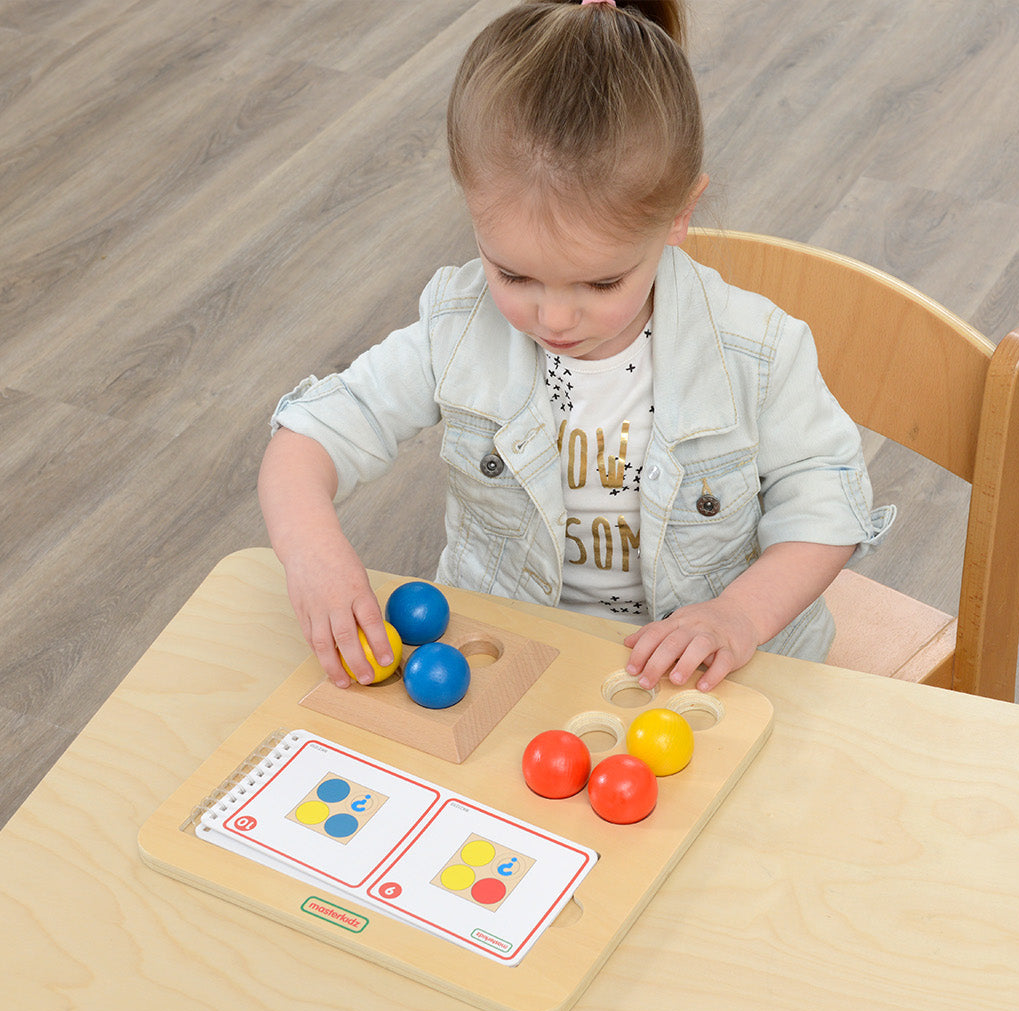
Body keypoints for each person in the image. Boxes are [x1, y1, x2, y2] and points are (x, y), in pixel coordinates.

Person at [258, 0, 893, 695]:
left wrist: (739, 615)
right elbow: (309, 438)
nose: (554, 317)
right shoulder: (457, 329)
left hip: (712, 678)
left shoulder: (757, 353)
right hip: (518, 661)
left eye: (600, 282)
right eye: (513, 274)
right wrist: (313, 554)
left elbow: (828, 505)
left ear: (680, 214)